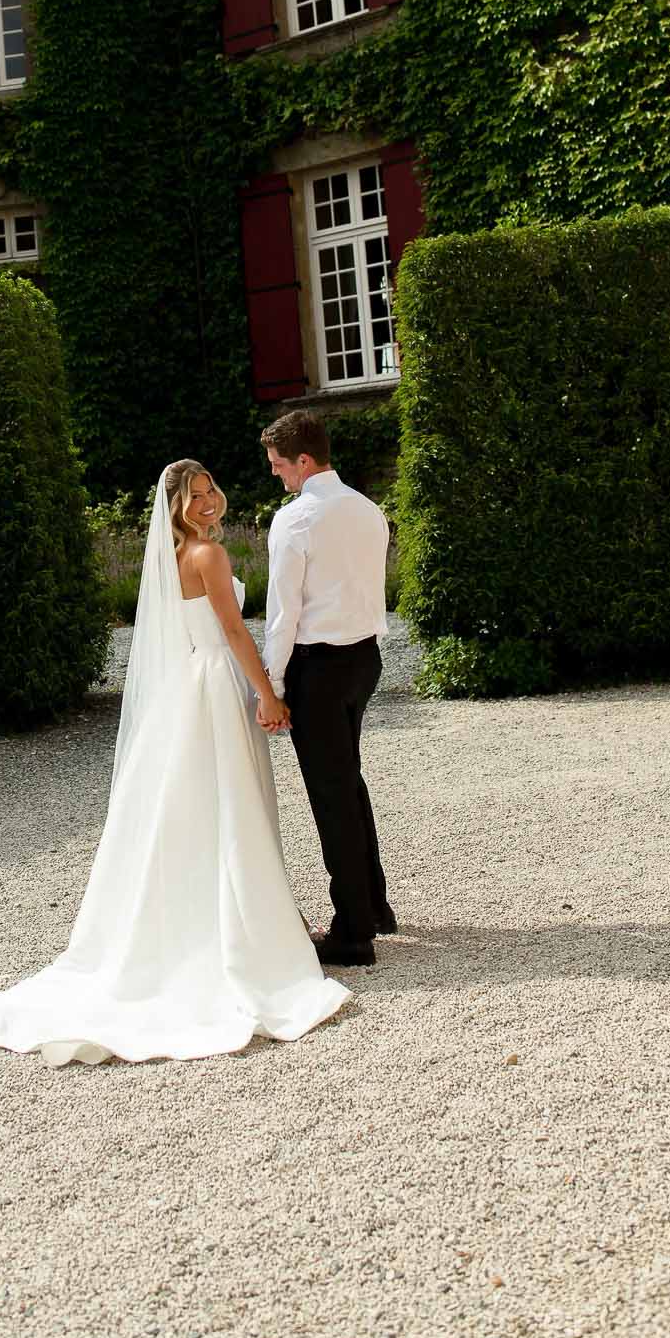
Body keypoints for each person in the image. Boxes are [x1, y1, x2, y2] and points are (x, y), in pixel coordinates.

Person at [0, 460, 349, 1066]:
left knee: (190, 810)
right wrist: (268, 692)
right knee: (227, 806)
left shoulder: (174, 558)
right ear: (177, 505)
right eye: (196, 495)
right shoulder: (208, 556)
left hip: (189, 686)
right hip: (215, 684)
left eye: (212, 489)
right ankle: (237, 933)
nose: (209, 501)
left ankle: (195, 922)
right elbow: (235, 632)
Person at [261, 411, 395, 968]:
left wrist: (271, 684)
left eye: (279, 466)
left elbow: (283, 614)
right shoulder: (369, 510)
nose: (277, 475)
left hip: (316, 671)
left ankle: (352, 932)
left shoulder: (295, 521)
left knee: (331, 796)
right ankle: (375, 906)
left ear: (305, 462)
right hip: (365, 660)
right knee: (348, 781)